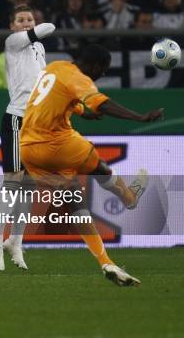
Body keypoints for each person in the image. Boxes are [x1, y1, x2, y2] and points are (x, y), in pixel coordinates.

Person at [20, 44, 164, 286]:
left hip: (27, 149)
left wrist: (82, 113)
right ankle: (129, 197)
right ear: (95, 66)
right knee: (100, 168)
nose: (103, 75)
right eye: (104, 70)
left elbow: (52, 97)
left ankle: (106, 262)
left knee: (75, 202)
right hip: (57, 144)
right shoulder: (79, 78)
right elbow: (102, 103)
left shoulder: (54, 68)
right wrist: (139, 117)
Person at [0, 5, 55, 271]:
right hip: (17, 119)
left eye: (30, 19)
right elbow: (49, 27)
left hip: (38, 123)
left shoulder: (38, 48)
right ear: (13, 25)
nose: (27, 23)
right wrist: (36, 27)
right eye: (21, 20)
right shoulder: (14, 42)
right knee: (12, 179)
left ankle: (15, 240)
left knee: (28, 184)